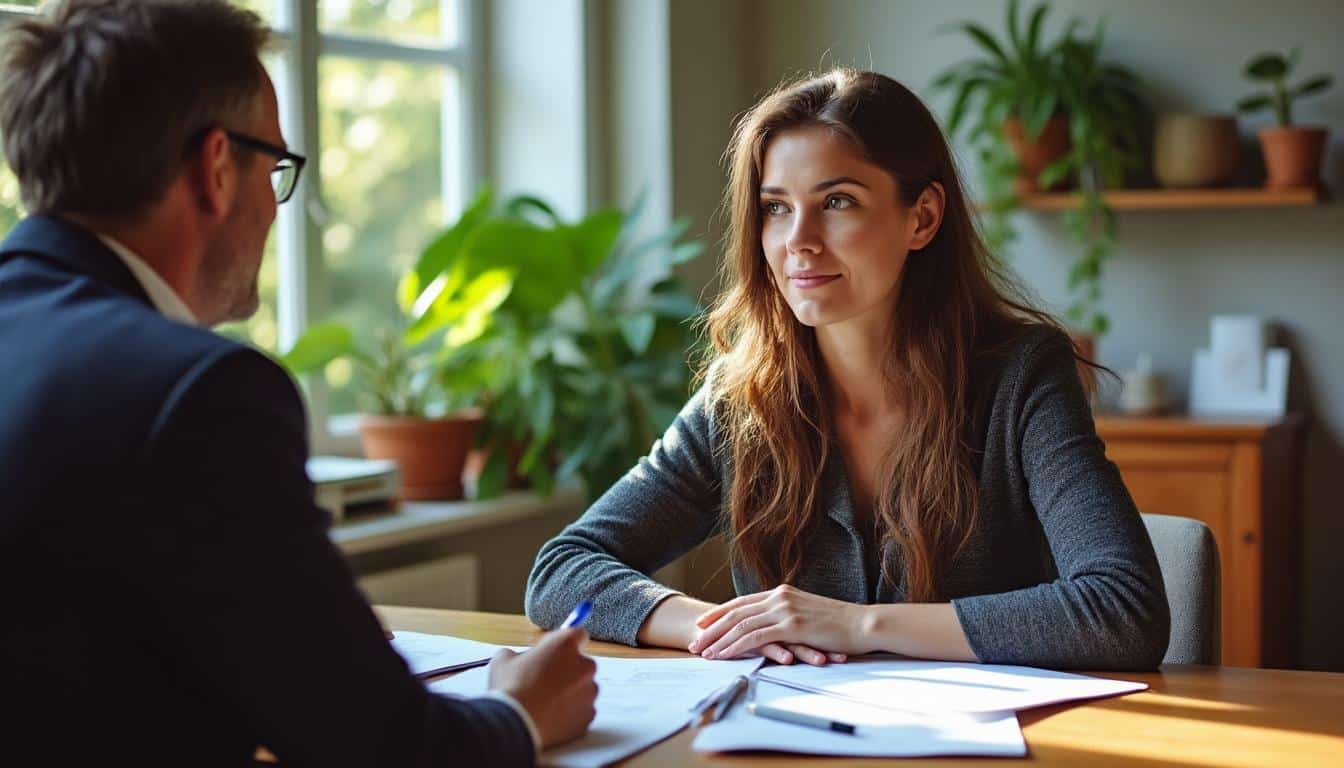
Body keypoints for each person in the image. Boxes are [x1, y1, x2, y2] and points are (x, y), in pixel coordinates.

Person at [0, 2, 595, 765]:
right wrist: (520, 712)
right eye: (275, 166)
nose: (276, 210)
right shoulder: (199, 393)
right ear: (216, 168)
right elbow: (384, 748)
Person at [526, 69, 1170, 671]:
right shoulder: (739, 398)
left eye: (837, 201)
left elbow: (1123, 609)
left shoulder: (1023, 376)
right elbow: (561, 571)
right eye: (776, 206)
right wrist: (737, 627)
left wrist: (856, 626)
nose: (798, 239)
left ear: (922, 218)